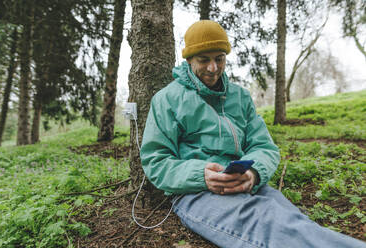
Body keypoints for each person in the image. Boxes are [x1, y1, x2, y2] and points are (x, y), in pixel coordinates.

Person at [140, 20, 365, 248]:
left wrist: (254, 174)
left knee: (295, 222)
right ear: (188, 60)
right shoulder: (167, 99)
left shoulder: (240, 97)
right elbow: (156, 160)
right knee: (270, 226)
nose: (213, 68)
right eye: (204, 60)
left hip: (246, 184)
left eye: (219, 58)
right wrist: (201, 174)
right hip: (196, 193)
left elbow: (265, 147)